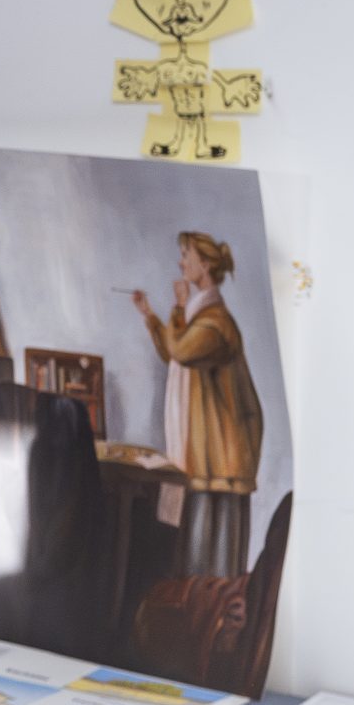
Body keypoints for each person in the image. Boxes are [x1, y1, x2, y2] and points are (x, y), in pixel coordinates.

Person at [132, 231, 264, 579]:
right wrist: (150, 314)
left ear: (204, 265)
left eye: (186, 255)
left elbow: (180, 350)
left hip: (221, 455)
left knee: (211, 557)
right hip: (208, 453)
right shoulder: (200, 320)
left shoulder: (216, 323)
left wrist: (175, 309)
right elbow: (174, 352)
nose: (180, 262)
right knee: (197, 546)